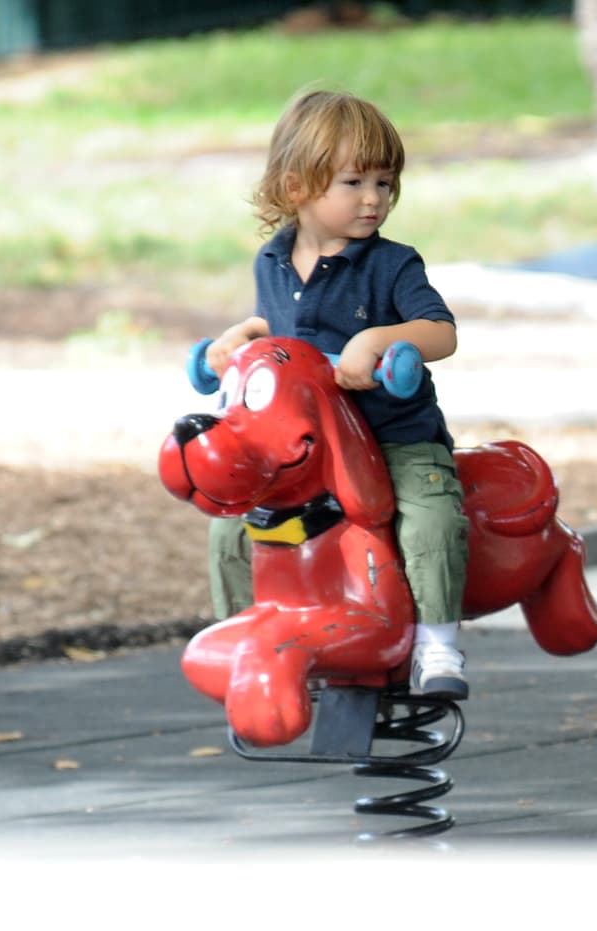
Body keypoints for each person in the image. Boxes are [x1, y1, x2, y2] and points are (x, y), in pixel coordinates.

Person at [205, 88, 470, 699]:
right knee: (231, 528)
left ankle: (438, 645)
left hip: (394, 437)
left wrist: (377, 340)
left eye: (385, 181)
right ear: (297, 187)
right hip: (306, 454)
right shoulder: (271, 262)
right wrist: (243, 337)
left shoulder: (393, 265)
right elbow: (284, 340)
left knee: (429, 520)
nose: (375, 198)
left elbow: (441, 332)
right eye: (354, 182)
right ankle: (247, 638)